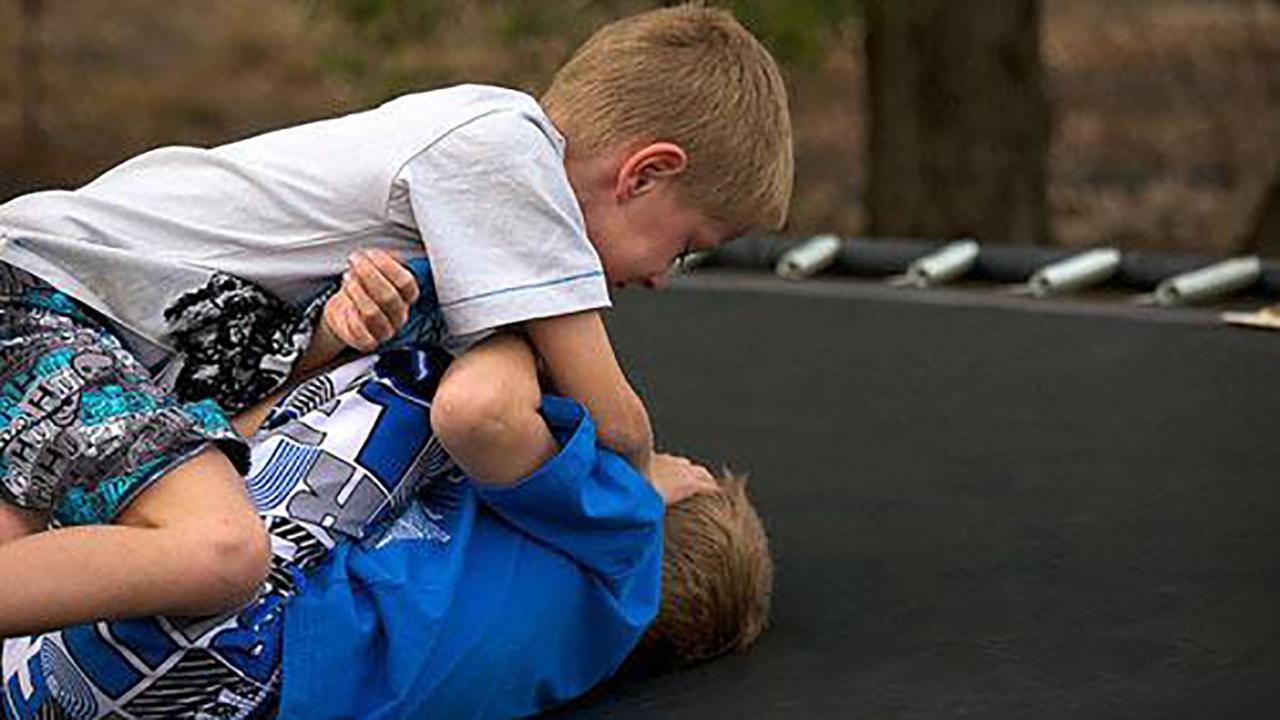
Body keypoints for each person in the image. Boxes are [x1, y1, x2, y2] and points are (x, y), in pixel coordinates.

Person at [0, 3, 792, 637]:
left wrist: (335, 334)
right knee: (220, 550)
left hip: (89, 342)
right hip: (46, 292)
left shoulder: (454, 251)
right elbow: (608, 413)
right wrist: (640, 478)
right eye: (685, 246)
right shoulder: (503, 147)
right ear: (647, 171)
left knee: (37, 573)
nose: (659, 279)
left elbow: (248, 392)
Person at [0, 337, 773, 720]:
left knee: (413, 384)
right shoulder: (576, 649)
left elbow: (479, 408)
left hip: (251, 618)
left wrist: (514, 318)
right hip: (197, 702)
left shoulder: (624, 539)